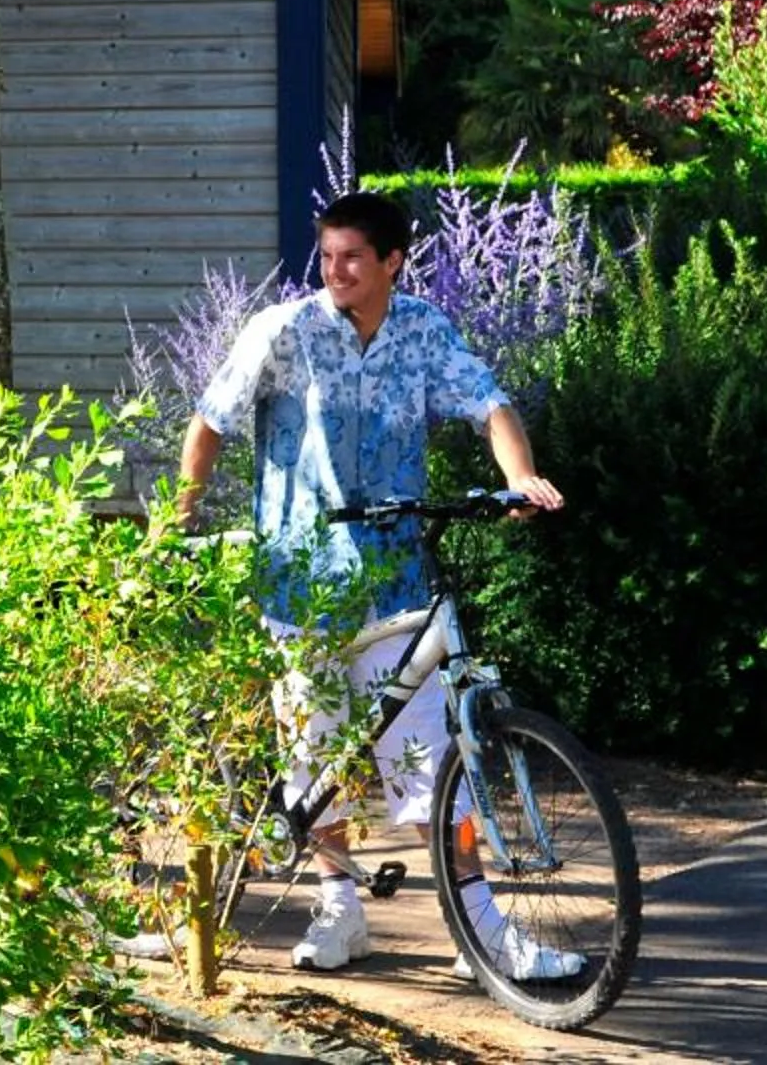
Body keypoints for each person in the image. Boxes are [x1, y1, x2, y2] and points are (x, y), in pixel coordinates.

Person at [175, 190, 573, 983]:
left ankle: (480, 928)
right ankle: (337, 909)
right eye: (327, 256)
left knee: (431, 758)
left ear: (392, 261)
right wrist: (180, 516)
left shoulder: (424, 330)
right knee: (315, 750)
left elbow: (490, 405)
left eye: (352, 257)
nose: (335, 271)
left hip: (395, 582)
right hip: (302, 579)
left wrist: (520, 477)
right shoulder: (284, 331)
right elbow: (211, 418)